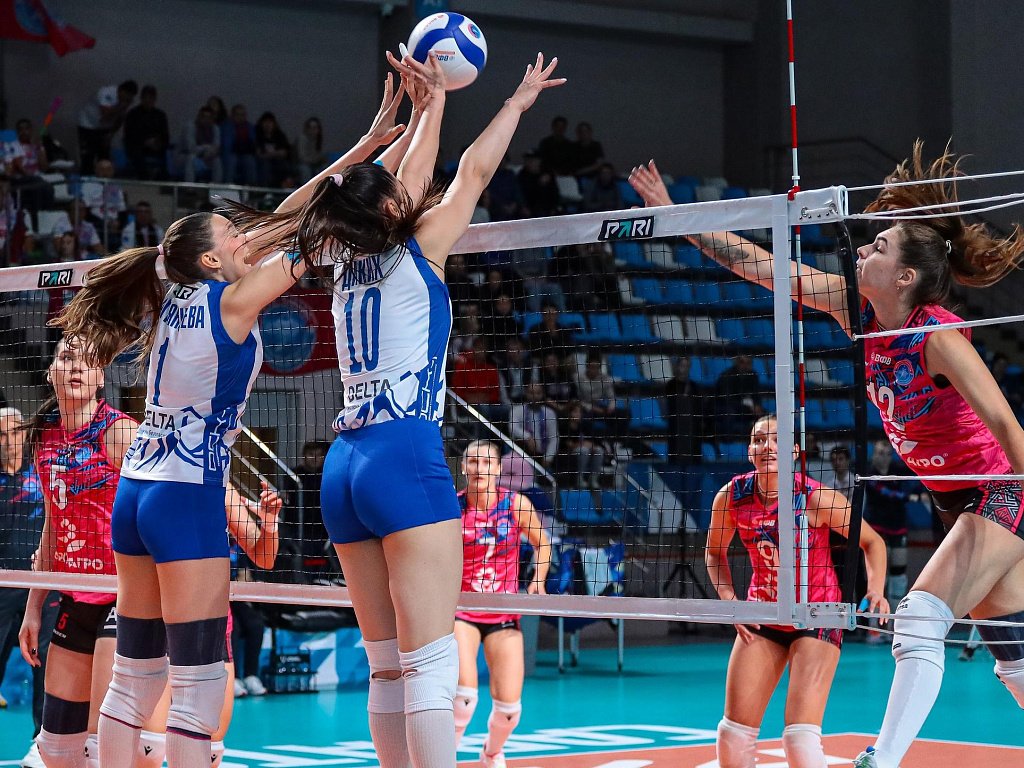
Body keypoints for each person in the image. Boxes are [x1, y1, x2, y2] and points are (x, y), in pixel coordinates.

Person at [40, 76, 408, 768]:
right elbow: (308, 230)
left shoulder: (175, 289)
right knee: (200, 685)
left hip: (136, 493)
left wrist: (365, 145)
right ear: (213, 258)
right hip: (184, 496)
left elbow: (282, 216)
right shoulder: (232, 303)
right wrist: (382, 173)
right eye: (235, 236)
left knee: (134, 676)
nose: (248, 237)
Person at [628, 146, 1024, 768]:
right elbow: (765, 267)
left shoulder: (937, 336)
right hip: (953, 502)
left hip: (1000, 489)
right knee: (1013, 653)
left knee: (919, 618)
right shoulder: (858, 314)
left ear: (904, 278)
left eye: (880, 246)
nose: (863, 248)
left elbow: (1005, 425)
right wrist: (678, 216)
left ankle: (881, 760)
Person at [225, 50, 564, 768]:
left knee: (387, 668)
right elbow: (472, 171)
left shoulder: (336, 257)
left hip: (343, 465)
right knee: (431, 664)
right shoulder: (421, 246)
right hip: (403, 454)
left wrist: (423, 111)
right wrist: (511, 103)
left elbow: (389, 185)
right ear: (388, 208)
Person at [705, 415, 889, 768]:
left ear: (793, 451)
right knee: (732, 735)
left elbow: (872, 542)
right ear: (749, 450)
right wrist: (731, 602)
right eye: (759, 440)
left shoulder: (816, 498)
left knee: (799, 740)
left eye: (777, 440)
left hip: (817, 614)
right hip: (764, 612)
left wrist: (876, 589)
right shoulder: (731, 497)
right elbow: (714, 553)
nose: (767, 447)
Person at [17, 337, 135, 768]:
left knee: (104, 747)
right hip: (73, 596)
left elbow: (158, 506)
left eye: (88, 361)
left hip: (123, 597)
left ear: (101, 377)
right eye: (66, 358)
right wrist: (33, 608)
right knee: (56, 749)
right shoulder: (44, 438)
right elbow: (52, 525)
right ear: (51, 372)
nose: (76, 367)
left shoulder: (120, 432)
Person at [137, 485, 281, 768]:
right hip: (159, 619)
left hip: (211, 623)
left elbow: (264, 557)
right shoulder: (148, 475)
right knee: (149, 749)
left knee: (210, 749)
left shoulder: (221, 484)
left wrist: (269, 522)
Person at [453, 440, 551, 768]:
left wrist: (538, 580)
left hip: (503, 613)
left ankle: (491, 753)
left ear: (497, 469)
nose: (479, 468)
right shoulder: (453, 507)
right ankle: (441, 757)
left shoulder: (515, 504)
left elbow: (543, 544)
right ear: (463, 467)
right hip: (462, 610)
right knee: (463, 698)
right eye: (473, 461)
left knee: (509, 711)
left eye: (486, 462)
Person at [0, 407, 57, 768]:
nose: (9, 441)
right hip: (2, 585)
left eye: (14, 432)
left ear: (24, 435)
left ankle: (42, 743)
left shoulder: (41, 474)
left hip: (41, 585)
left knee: (46, 665)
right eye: (1, 434)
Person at [76, 80, 137, 175]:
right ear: (121, 91)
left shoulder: (127, 101)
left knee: (104, 158)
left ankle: (103, 180)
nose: (127, 100)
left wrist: (111, 134)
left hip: (104, 128)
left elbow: (120, 119)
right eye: (126, 97)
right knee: (88, 157)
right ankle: (86, 178)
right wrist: (120, 105)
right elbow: (105, 116)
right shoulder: (106, 93)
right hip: (88, 124)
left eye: (129, 98)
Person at [123, 85, 170, 180]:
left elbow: (165, 134)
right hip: (137, 146)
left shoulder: (160, 115)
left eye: (151, 98)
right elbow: (129, 135)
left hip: (155, 146)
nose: (148, 101)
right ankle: (144, 178)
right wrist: (144, 142)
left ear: (155, 99)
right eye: (146, 98)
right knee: (136, 153)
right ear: (141, 98)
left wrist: (157, 142)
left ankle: (163, 180)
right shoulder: (133, 114)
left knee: (167, 153)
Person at [295, 117, 327, 182]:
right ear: (307, 129)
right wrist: (316, 159)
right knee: (305, 170)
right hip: (301, 164)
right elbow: (302, 158)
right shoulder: (302, 139)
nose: (314, 130)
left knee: (325, 167)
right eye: (311, 128)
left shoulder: (318, 140)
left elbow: (322, 156)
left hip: (315, 164)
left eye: (316, 128)